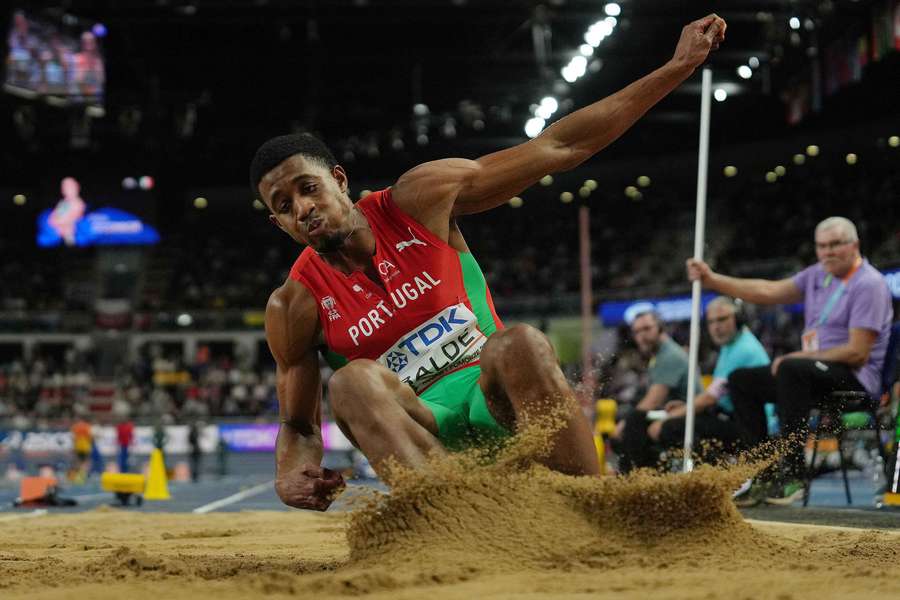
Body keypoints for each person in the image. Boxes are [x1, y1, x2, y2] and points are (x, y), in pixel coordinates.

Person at [253, 14, 727, 511]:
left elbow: (560, 146)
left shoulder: (417, 201)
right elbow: (299, 426)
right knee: (351, 381)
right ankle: (456, 522)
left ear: (339, 180)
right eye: (283, 206)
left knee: (518, 341)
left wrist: (676, 67)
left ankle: (593, 505)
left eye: (309, 189)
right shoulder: (294, 304)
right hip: (422, 436)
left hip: (497, 403)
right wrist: (291, 475)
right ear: (278, 223)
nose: (303, 209)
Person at [687, 216, 894, 505]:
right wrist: (712, 280)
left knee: (791, 367)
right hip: (812, 373)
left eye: (835, 245)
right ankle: (762, 472)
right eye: (822, 246)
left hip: (855, 375)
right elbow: (767, 291)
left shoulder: (868, 284)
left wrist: (802, 355)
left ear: (855, 245)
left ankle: (793, 474)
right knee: (742, 381)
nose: (828, 252)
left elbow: (857, 352)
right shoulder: (817, 275)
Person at [644, 297, 771, 464]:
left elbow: (711, 397)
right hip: (735, 417)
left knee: (671, 428)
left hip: (754, 427)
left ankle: (717, 475)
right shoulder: (731, 345)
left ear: (739, 319)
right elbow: (716, 394)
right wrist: (684, 407)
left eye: (722, 319)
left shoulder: (743, 349)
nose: (716, 327)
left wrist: (673, 416)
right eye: (711, 322)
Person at [615, 310, 702, 472]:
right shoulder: (659, 355)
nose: (642, 336)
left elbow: (653, 400)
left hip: (691, 413)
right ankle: (644, 473)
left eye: (647, 329)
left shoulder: (669, 355)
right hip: (672, 410)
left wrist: (625, 424)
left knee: (634, 422)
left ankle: (635, 477)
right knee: (630, 420)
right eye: (637, 332)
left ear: (661, 328)